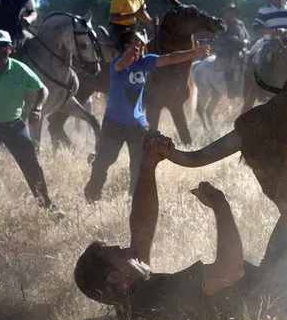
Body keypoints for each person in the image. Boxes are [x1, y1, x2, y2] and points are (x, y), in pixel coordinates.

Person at [76, 133, 287, 320]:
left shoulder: (132, 303)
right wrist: (221, 207)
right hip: (278, 310)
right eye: (120, 253)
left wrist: (148, 165)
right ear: (116, 277)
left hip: (270, 294)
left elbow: (141, 227)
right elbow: (230, 270)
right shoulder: (155, 295)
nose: (129, 250)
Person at [84, 30, 210, 202]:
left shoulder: (146, 62)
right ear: (127, 46)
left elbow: (170, 57)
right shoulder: (116, 65)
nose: (143, 44)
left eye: (143, 42)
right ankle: (92, 194)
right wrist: (128, 57)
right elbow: (122, 64)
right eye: (137, 42)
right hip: (114, 123)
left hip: (137, 124)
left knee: (138, 163)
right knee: (104, 161)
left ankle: (134, 198)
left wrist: (193, 53)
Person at [0, 30, 63, 219]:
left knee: (32, 166)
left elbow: (42, 89)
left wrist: (37, 108)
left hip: (14, 126)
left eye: (5, 46)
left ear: (11, 49)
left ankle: (49, 207)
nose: (1, 50)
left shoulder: (19, 69)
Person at [250, 0, 287, 66]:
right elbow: (256, 26)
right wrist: (269, 31)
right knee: (262, 63)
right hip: (270, 42)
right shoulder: (264, 10)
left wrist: (286, 31)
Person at [215, 3, 250, 99]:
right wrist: (229, 39)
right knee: (230, 66)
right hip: (227, 51)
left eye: (233, 11)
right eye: (229, 11)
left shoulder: (240, 23)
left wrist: (243, 41)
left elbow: (247, 37)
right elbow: (218, 38)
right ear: (226, 12)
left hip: (241, 49)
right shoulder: (222, 24)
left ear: (235, 13)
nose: (231, 13)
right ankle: (231, 90)